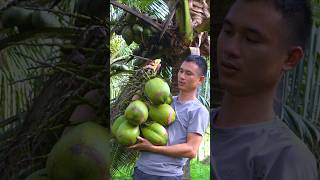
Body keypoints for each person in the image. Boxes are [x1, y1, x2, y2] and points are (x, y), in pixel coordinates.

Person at [211, 0, 318, 179]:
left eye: (251, 39)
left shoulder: (287, 159)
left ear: (290, 58)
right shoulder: (198, 125)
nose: (230, 48)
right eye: (228, 31)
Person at [129, 55, 210, 179]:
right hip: (141, 171)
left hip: (167, 176)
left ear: (200, 79)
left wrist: (152, 148)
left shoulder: (198, 111)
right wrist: (145, 79)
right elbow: (134, 108)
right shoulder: (163, 101)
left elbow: (191, 150)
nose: (182, 76)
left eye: (188, 73)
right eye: (181, 71)